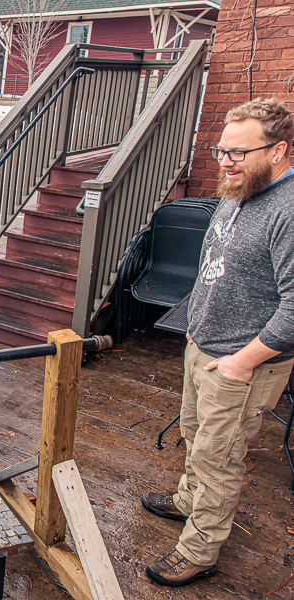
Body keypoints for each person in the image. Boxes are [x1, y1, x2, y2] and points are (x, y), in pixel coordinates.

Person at [140, 98, 294, 587]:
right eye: (220, 151)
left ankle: (200, 550)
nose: (224, 162)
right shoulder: (238, 192)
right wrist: (193, 320)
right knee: (195, 433)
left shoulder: (288, 211)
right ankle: (188, 501)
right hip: (202, 345)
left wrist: (242, 362)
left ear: (279, 150)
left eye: (238, 153)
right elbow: (215, 268)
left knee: (219, 457)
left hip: (241, 363)